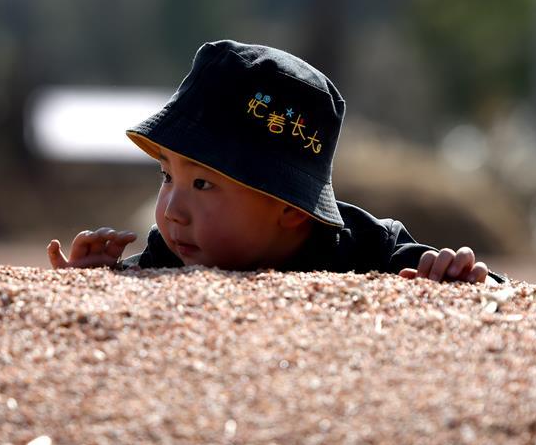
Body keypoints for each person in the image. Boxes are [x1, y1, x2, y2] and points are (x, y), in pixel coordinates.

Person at [47, 40, 505, 285]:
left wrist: (454, 274)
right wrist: (97, 278)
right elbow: (130, 278)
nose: (171, 210)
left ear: (290, 207)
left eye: (203, 184)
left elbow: (490, 289)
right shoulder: (171, 252)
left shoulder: (370, 250)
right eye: (168, 175)